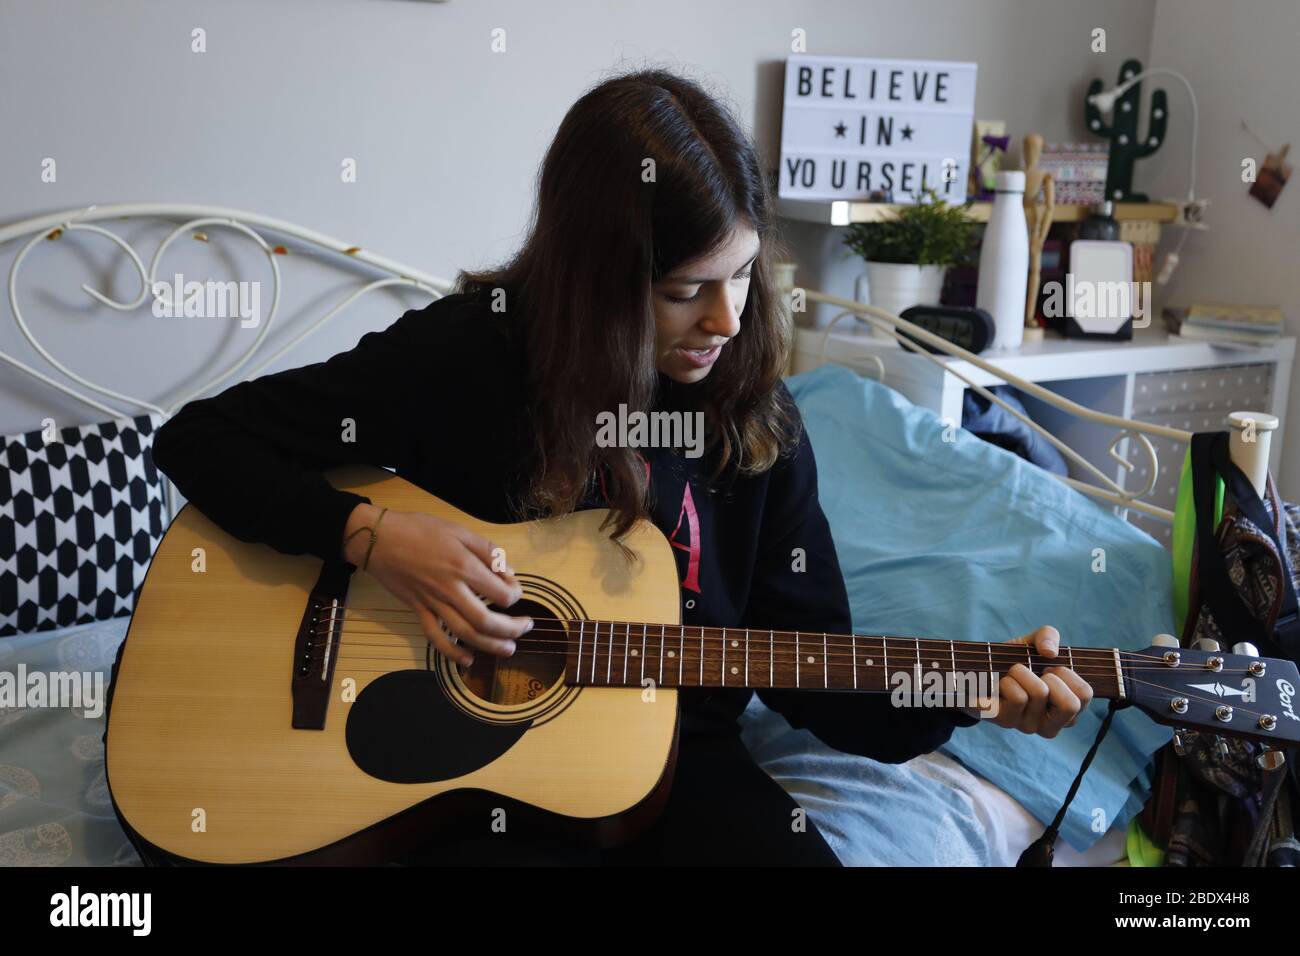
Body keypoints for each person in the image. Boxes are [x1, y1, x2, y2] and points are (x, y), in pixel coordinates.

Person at [135, 68, 1093, 866]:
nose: (726, 321)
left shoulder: (752, 424)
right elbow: (200, 438)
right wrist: (373, 538)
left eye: (744, 276)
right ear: (595, 282)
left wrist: (966, 693)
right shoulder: (469, 359)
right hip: (466, 770)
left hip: (675, 768)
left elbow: (813, 673)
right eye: (686, 291)